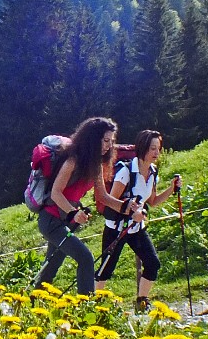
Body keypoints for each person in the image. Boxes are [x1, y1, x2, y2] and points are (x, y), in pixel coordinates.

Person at [34, 117, 139, 295]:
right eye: (106, 140)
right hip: (51, 221)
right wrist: (73, 213)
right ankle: (86, 308)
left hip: (66, 222)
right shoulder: (72, 161)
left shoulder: (95, 165)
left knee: (51, 267)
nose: (109, 146)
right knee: (85, 258)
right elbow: (56, 192)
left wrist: (127, 207)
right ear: (93, 138)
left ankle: (31, 303)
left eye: (111, 141)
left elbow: (104, 197)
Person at [94, 129, 180, 311]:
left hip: (136, 229)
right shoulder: (126, 172)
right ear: (142, 148)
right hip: (116, 228)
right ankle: (95, 306)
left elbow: (153, 201)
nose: (156, 153)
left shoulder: (153, 171)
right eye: (152, 149)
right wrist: (130, 213)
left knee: (152, 263)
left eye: (158, 148)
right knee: (105, 270)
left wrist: (172, 189)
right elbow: (111, 203)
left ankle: (142, 302)